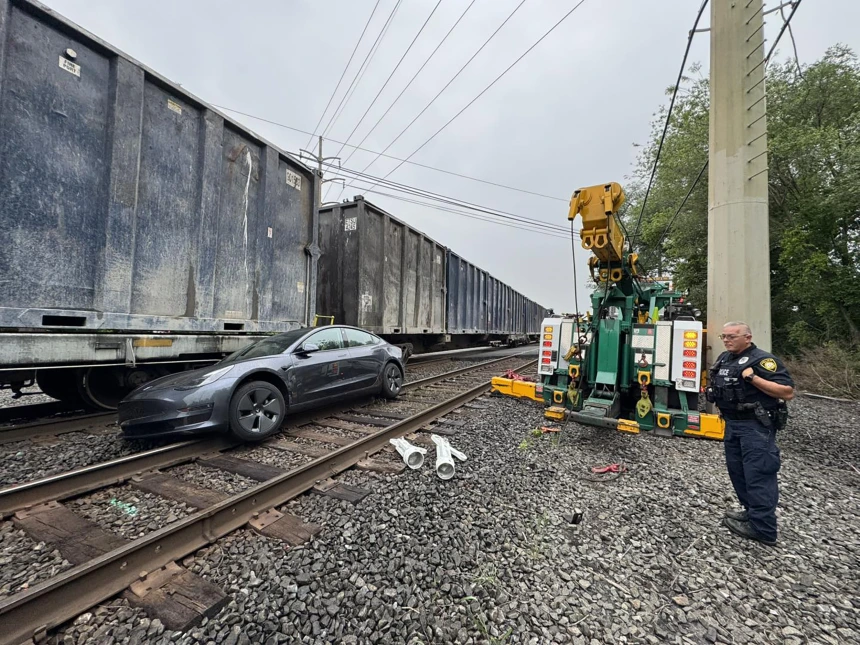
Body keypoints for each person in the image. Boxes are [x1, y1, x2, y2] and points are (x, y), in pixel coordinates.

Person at [706, 321, 794, 546]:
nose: (726, 340)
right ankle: (751, 513)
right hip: (732, 425)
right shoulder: (725, 359)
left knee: (759, 474)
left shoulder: (763, 360)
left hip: (755, 427)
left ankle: (764, 528)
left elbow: (787, 391)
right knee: (738, 472)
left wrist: (753, 378)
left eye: (732, 336)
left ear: (747, 337)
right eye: (724, 337)